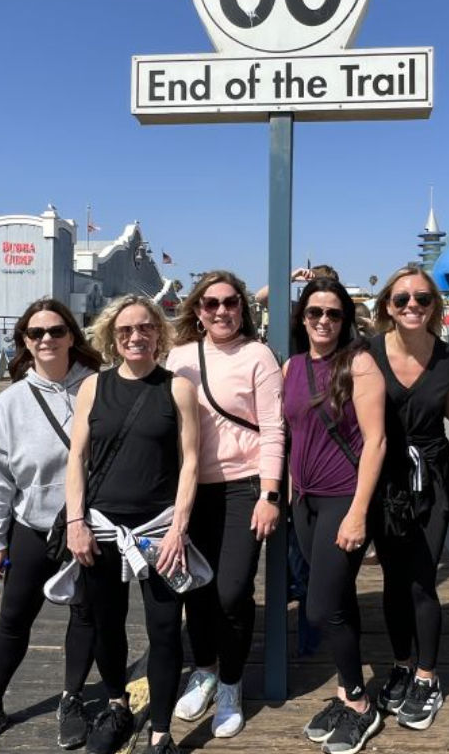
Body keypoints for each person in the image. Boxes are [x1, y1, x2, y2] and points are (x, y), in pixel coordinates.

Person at [0, 299, 104, 754]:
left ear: (72, 335)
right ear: (25, 343)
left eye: (56, 330)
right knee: (13, 618)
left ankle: (72, 698)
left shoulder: (99, 388)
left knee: (86, 613)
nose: (47, 339)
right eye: (36, 334)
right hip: (33, 524)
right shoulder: (11, 401)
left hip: (89, 525)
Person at [65, 295, 199, 754]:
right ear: (112, 337)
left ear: (158, 334)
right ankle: (118, 704)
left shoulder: (177, 387)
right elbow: (77, 458)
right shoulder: (92, 388)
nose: (135, 336)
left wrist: (179, 526)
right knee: (107, 623)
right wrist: (75, 521)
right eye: (125, 331)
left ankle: (161, 730)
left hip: (158, 526)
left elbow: (191, 462)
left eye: (144, 328)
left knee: (164, 628)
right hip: (101, 525)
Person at [166, 270, 286, 739]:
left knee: (232, 591)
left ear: (243, 307)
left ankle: (232, 683)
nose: (221, 311)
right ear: (197, 310)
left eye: (230, 302)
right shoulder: (178, 358)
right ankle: (205, 668)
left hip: (244, 483)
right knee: (194, 586)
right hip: (191, 487)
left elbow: (275, 428)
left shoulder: (258, 356)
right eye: (211, 303)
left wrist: (271, 493)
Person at [284, 278, 387, 754]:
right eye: (314, 313)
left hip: (343, 498)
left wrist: (359, 513)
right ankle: (349, 692)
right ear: (302, 318)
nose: (323, 321)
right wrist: (288, 492)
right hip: (304, 500)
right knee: (337, 601)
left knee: (322, 607)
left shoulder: (360, 364)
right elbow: (292, 433)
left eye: (333, 314)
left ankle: (362, 705)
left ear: (345, 320)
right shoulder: (293, 366)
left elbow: (375, 442)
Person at [366, 266, 449, 730]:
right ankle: (403, 664)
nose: (411, 307)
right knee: (392, 578)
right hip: (384, 479)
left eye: (422, 299)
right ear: (387, 305)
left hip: (432, 477)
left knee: (423, 579)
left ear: (433, 307)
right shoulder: (366, 352)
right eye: (401, 299)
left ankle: (427, 676)